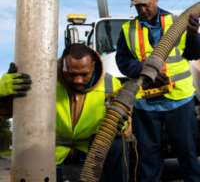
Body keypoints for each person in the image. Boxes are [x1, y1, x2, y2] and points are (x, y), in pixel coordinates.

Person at [0, 43, 132, 182]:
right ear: (62, 65)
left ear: (93, 66)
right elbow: (5, 114)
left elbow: (127, 124)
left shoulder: (112, 84)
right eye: (71, 74)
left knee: (117, 143)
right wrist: (2, 95)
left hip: (90, 146)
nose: (78, 80)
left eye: (84, 74)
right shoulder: (42, 80)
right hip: (51, 149)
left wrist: (123, 125)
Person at [116, 0, 200, 181]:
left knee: (187, 153)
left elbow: (194, 54)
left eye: (145, 4)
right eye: (138, 6)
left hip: (179, 99)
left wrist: (194, 35)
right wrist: (144, 71)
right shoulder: (128, 29)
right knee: (147, 156)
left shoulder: (177, 21)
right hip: (146, 103)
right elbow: (123, 60)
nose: (142, 9)